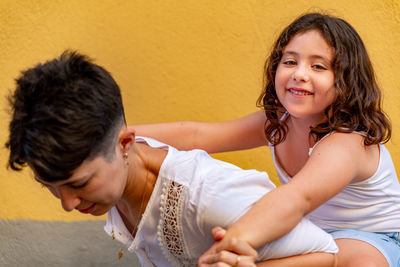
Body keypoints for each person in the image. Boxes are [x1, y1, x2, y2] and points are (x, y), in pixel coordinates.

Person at [6, 51, 340, 267]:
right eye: (50, 186)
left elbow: (326, 253)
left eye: (79, 184)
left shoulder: (208, 197)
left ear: (125, 145)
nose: (67, 203)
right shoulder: (115, 169)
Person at [132, 12, 400, 267]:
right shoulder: (277, 123)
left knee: (353, 261)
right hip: (311, 232)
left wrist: (236, 241)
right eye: (290, 61)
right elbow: (197, 135)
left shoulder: (346, 142)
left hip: (375, 238)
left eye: (318, 66)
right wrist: (122, 135)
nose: (299, 73)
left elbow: (297, 198)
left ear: (346, 82)